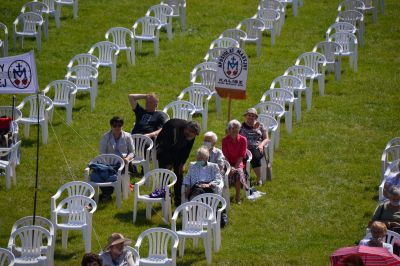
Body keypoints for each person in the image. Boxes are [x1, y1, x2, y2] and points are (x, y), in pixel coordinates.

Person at [156, 118, 201, 206]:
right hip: (163, 149)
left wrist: (182, 163)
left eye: (193, 135)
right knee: (165, 176)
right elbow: (165, 147)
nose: (191, 137)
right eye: (191, 134)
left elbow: (187, 149)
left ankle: (178, 201)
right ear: (187, 129)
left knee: (179, 175)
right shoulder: (173, 129)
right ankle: (166, 200)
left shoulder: (191, 134)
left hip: (178, 150)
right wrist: (168, 163)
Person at [99, 116, 134, 202]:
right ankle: (107, 193)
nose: (117, 128)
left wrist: (127, 158)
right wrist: (106, 164)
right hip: (108, 163)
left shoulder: (127, 136)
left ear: (122, 126)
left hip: (123, 163)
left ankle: (106, 194)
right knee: (101, 173)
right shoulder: (105, 137)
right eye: (115, 126)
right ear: (111, 126)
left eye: (119, 125)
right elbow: (102, 153)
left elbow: (132, 152)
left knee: (115, 173)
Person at [239, 108, 270, 185]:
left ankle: (258, 178)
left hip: (256, 146)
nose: (250, 117)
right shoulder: (240, 126)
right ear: (246, 116)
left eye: (253, 116)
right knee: (241, 158)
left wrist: (261, 145)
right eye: (249, 115)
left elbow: (266, 139)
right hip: (244, 147)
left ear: (256, 117)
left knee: (255, 157)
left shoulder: (261, 126)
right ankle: (242, 178)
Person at [222, 119, 249, 204]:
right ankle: (223, 196)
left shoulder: (243, 140)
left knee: (238, 173)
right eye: (233, 128)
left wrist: (235, 167)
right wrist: (229, 168)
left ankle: (237, 196)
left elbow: (242, 156)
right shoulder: (225, 140)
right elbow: (225, 156)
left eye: (237, 128)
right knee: (222, 174)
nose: (235, 130)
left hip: (238, 163)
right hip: (227, 163)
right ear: (229, 129)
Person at [370, 186, 400, 255]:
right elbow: (372, 223)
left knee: (397, 245)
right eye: (394, 199)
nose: (396, 201)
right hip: (381, 234)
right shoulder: (382, 207)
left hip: (398, 234)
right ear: (389, 198)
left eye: (398, 199)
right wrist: (390, 223)